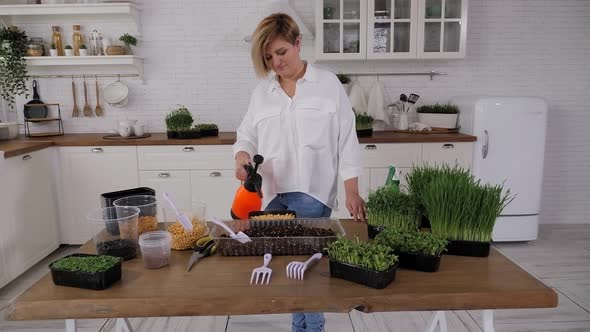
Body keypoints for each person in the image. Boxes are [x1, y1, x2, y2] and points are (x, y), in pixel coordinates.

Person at [233, 13, 366, 332]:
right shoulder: (262, 92)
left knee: (307, 269)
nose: (276, 62)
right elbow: (246, 134)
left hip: (312, 192)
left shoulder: (327, 84)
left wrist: (351, 189)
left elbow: (347, 138)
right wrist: (241, 156)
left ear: (297, 44)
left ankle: (312, 328)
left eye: (281, 52)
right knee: (285, 269)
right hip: (271, 196)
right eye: (268, 57)